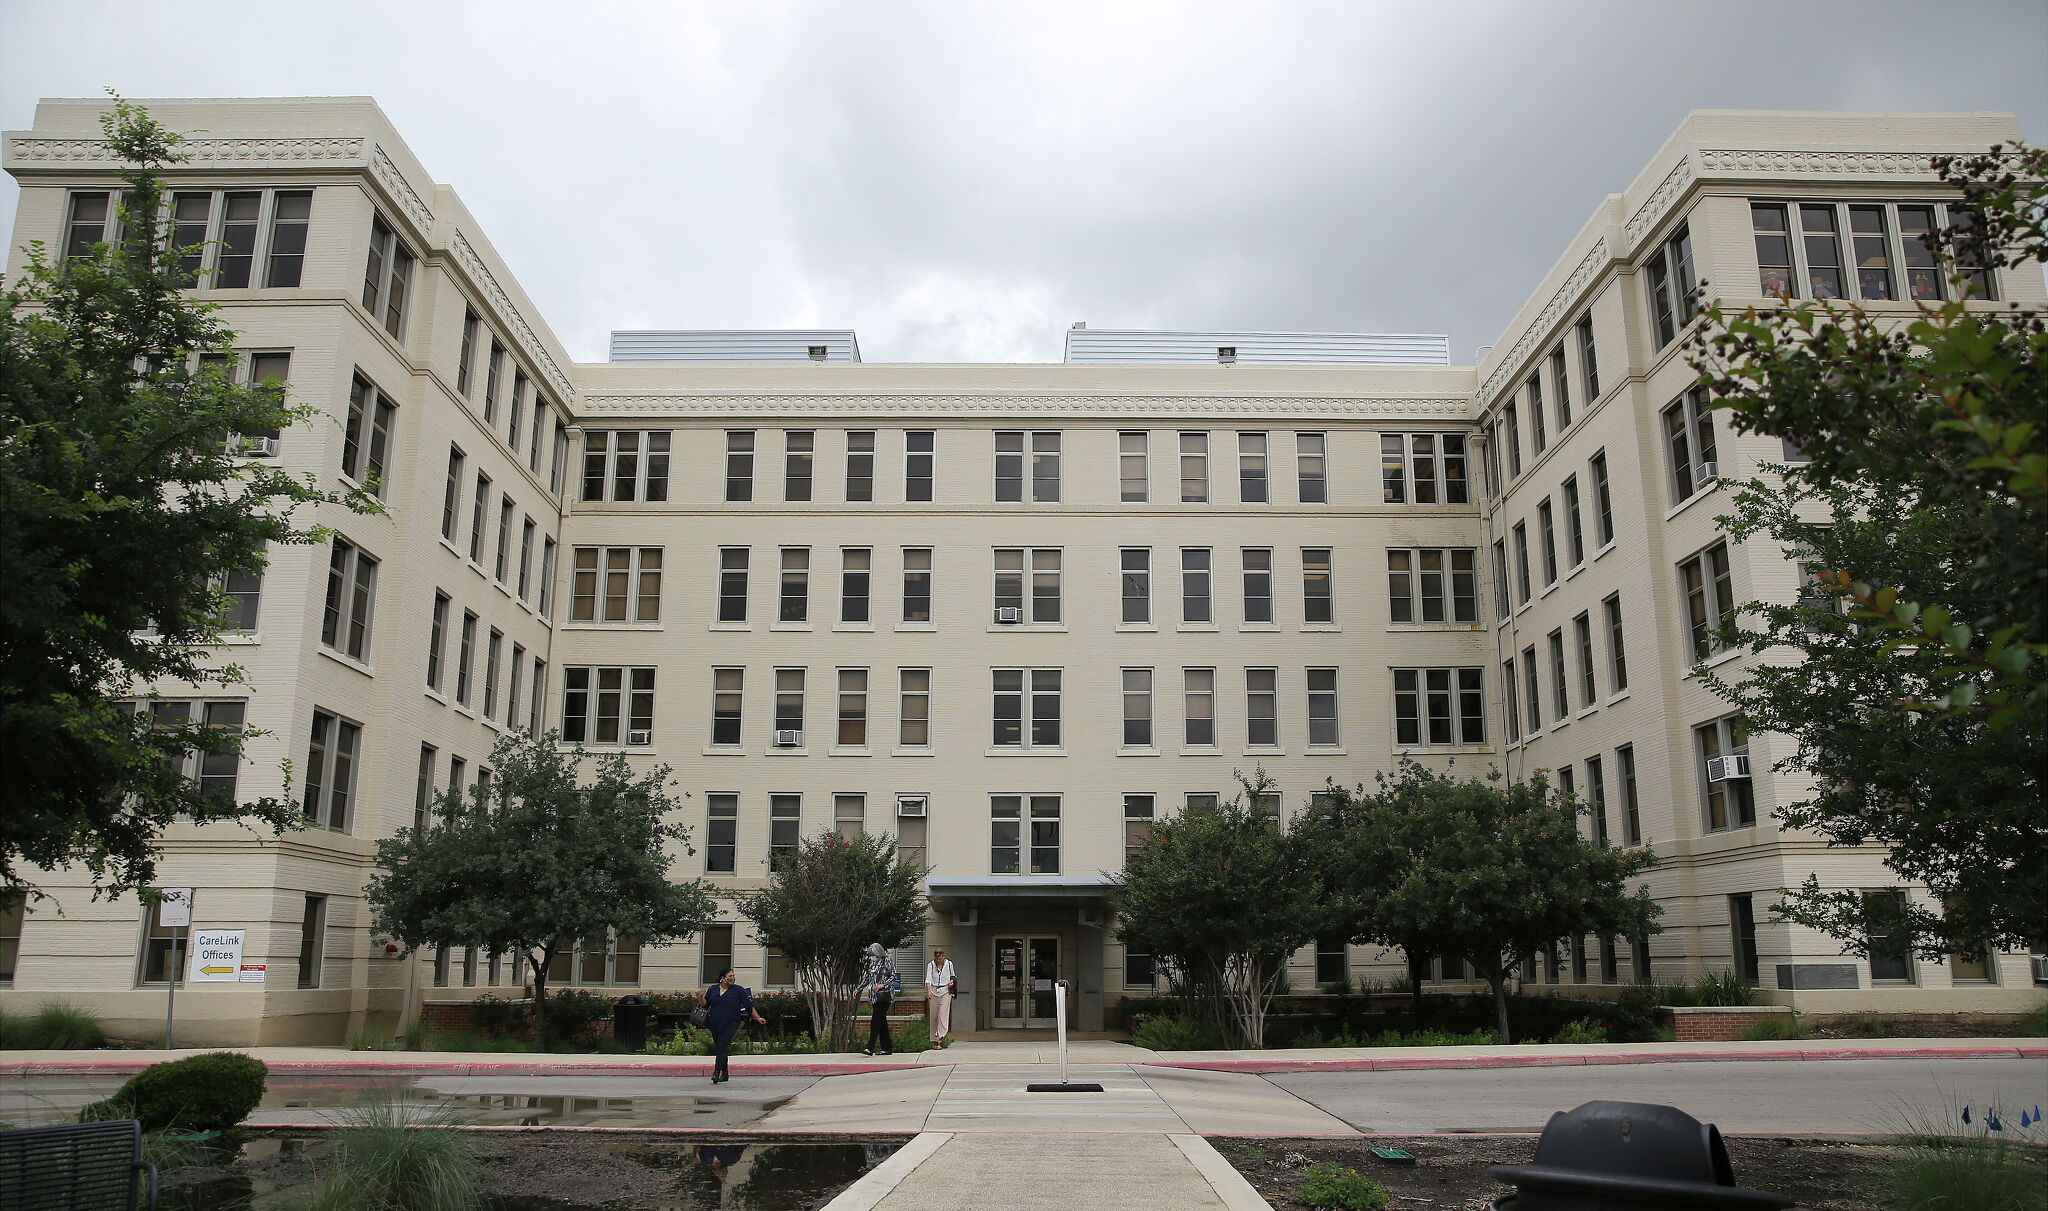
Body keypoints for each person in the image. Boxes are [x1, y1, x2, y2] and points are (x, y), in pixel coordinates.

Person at [703, 965, 766, 1084]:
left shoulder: (738, 990)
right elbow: (705, 1004)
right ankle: (725, 1074)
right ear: (722, 978)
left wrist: (757, 1017)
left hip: (731, 1023)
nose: (732, 978)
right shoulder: (712, 989)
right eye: (729, 976)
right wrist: (701, 996)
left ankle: (716, 1073)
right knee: (721, 1048)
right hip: (714, 1023)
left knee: (721, 1046)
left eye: (733, 976)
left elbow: (749, 1006)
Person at [860, 941, 897, 1056]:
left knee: (875, 1020)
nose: (872, 957)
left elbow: (893, 976)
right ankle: (886, 1048)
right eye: (871, 955)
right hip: (875, 996)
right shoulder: (872, 964)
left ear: (878, 953)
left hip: (885, 995)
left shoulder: (887, 961)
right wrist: (858, 988)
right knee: (882, 1022)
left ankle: (870, 1047)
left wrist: (883, 985)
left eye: (873, 955)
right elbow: (868, 978)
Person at [925, 947, 957, 1049]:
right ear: (935, 958)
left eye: (941, 958)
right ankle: (934, 1038)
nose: (940, 960)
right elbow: (928, 979)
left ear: (944, 957)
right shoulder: (930, 965)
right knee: (934, 1016)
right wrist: (928, 991)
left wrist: (952, 982)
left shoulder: (949, 964)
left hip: (945, 991)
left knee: (942, 1015)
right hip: (934, 990)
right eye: (938, 959)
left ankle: (940, 1038)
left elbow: (953, 976)